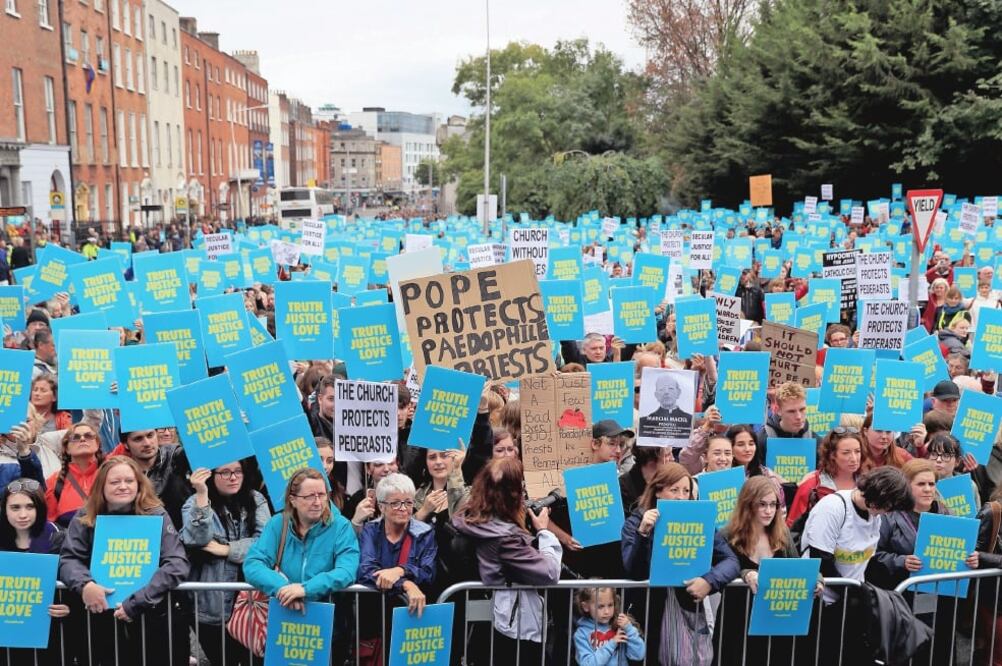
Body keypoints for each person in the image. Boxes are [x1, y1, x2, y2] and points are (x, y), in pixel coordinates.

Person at [58, 456, 190, 666]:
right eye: (114, 482)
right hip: (100, 618)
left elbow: (177, 563)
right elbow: (69, 558)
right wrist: (85, 585)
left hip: (151, 617)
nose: (123, 486)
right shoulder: (86, 516)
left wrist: (139, 601)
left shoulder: (156, 514)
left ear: (139, 484)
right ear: (102, 486)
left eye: (129, 481)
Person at [621, 462, 739, 665]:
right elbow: (632, 568)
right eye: (674, 490)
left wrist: (709, 581)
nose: (681, 497)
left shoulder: (699, 522)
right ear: (658, 491)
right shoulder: (636, 521)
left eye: (686, 491)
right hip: (647, 613)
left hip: (686, 609)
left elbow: (731, 560)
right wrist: (643, 532)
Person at [452, 458, 562, 664]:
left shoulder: (473, 518)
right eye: (520, 487)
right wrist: (544, 532)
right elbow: (550, 572)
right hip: (517, 629)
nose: (523, 494)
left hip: (500, 622)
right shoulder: (503, 538)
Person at [180, 459, 270, 666]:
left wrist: (226, 549)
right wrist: (202, 494)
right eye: (225, 473)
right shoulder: (194, 502)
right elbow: (197, 539)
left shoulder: (256, 499)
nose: (233, 477)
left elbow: (265, 544)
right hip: (211, 606)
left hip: (253, 603)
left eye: (238, 471)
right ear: (212, 475)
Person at [717, 476, 809, 665]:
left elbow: (796, 567)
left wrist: (816, 578)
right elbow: (718, 569)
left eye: (773, 505)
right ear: (748, 504)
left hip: (773, 620)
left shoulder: (781, 534)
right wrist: (745, 573)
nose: (769, 511)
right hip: (736, 621)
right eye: (762, 505)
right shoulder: (728, 535)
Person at [243, 467, 359, 609]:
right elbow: (253, 564)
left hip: (330, 617)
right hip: (285, 614)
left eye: (322, 495)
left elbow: (346, 570)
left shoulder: (341, 526)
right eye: (309, 496)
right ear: (293, 500)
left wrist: (305, 589)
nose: (317, 502)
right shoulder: (278, 524)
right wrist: (285, 590)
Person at [356, 474, 437, 661]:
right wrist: (407, 585)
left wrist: (399, 570)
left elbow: (428, 572)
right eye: (395, 503)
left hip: (412, 619)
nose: (403, 509)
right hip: (375, 619)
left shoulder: (425, 533)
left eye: (408, 503)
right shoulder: (370, 531)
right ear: (382, 506)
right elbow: (366, 571)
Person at [0, 478, 69, 666]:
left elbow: (74, 579)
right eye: (15, 508)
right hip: (6, 637)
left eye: (30, 507)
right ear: (4, 509)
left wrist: (68, 606)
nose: (23, 514)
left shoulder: (57, 536)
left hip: (49, 637)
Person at [787, 428, 865, 527]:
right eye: (846, 453)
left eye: (857, 451)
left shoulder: (868, 484)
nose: (854, 458)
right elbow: (791, 529)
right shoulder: (811, 486)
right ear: (832, 455)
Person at [45, 422, 103, 527]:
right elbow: (51, 524)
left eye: (88, 436)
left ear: (97, 444)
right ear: (66, 448)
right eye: (75, 437)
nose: (82, 439)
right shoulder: (54, 481)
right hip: (71, 541)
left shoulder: (111, 473)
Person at [573, 587, 645, 665]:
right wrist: (612, 643)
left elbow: (638, 655)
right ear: (586, 607)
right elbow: (587, 663)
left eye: (610, 605)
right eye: (600, 606)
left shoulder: (618, 625)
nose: (607, 612)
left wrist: (629, 629)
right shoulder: (581, 634)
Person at [756, 381, 814, 462]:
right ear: (778, 410)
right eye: (791, 411)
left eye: (802, 409)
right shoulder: (762, 440)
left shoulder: (816, 441)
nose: (798, 417)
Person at [637, 372, 693, 443]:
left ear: (678, 392)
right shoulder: (644, 422)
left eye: (671, 388)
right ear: (656, 395)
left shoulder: (690, 420)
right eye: (662, 389)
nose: (666, 392)